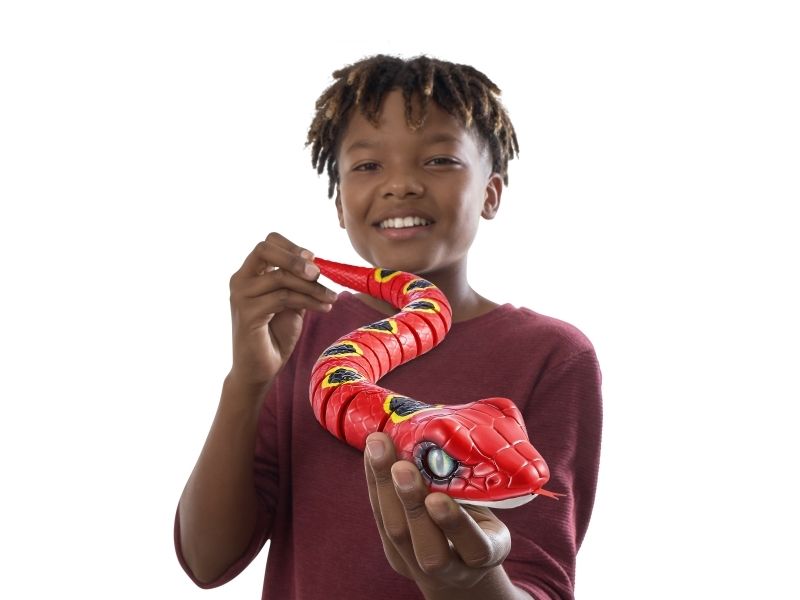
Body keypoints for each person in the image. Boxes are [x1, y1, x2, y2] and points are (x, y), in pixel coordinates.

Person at [174, 54, 603, 600]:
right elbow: (207, 561)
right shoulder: (300, 334)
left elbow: (541, 584)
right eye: (368, 165)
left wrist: (470, 584)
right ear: (339, 204)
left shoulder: (552, 355)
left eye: (440, 159)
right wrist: (247, 380)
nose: (401, 185)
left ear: (491, 192)